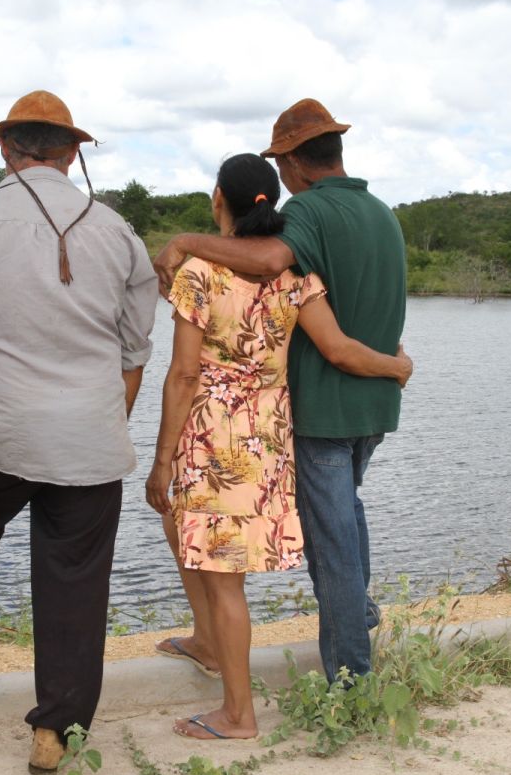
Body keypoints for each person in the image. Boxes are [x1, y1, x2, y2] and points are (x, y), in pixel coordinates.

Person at [0, 90, 156, 775]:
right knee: (74, 578)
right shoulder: (119, 231)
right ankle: (56, 730)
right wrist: (105, 421)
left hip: (0, 434)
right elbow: (135, 352)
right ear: (73, 151)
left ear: (5, 147)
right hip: (91, 440)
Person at [145, 153, 410, 740]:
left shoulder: (197, 275)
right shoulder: (298, 279)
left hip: (212, 433)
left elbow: (184, 376)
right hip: (269, 436)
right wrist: (395, 365)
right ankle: (207, 640)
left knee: (222, 576)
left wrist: (161, 458)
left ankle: (238, 715)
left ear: (220, 201)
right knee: (187, 534)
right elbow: (339, 349)